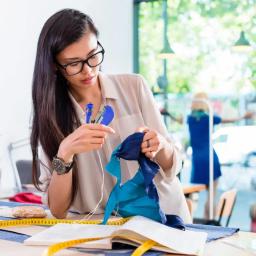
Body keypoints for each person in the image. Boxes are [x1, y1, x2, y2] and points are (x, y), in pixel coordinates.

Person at [30, 9, 191, 222]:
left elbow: (173, 167)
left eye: (93, 56)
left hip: (164, 221)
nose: (88, 70)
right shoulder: (50, 117)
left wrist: (160, 146)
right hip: (103, 234)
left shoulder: (134, 86)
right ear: (55, 66)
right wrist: (65, 153)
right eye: (74, 63)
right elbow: (58, 210)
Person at [187, 92, 253, 219]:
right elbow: (228, 120)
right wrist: (243, 117)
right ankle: (210, 221)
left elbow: (180, 120)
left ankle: (200, 221)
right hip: (210, 158)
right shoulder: (209, 117)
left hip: (197, 159)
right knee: (211, 195)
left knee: (197, 196)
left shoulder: (190, 119)